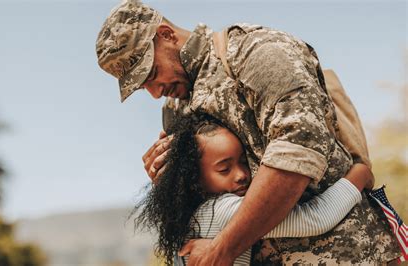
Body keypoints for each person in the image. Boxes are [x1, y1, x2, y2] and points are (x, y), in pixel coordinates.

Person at [96, 1, 401, 264]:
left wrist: (224, 248)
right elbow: (205, 207)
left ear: (165, 34)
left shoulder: (256, 53)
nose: (154, 92)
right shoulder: (177, 109)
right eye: (142, 86)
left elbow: (295, 156)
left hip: (342, 255)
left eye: (151, 74)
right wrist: (169, 180)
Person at [133, 113, 374, 266]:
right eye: (224, 169)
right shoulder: (222, 210)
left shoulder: (190, 216)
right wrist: (359, 174)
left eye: (242, 161)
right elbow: (314, 218)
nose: (242, 175)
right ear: (194, 180)